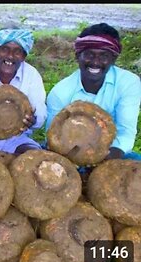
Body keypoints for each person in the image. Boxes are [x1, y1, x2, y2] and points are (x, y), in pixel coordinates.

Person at [46, 23, 141, 161]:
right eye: (89, 54)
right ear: (78, 56)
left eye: (104, 56)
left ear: (113, 59)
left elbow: (126, 131)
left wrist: (108, 156)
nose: (95, 62)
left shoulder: (128, 83)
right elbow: (54, 138)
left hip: (113, 152)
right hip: (71, 155)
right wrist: (77, 161)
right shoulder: (60, 92)